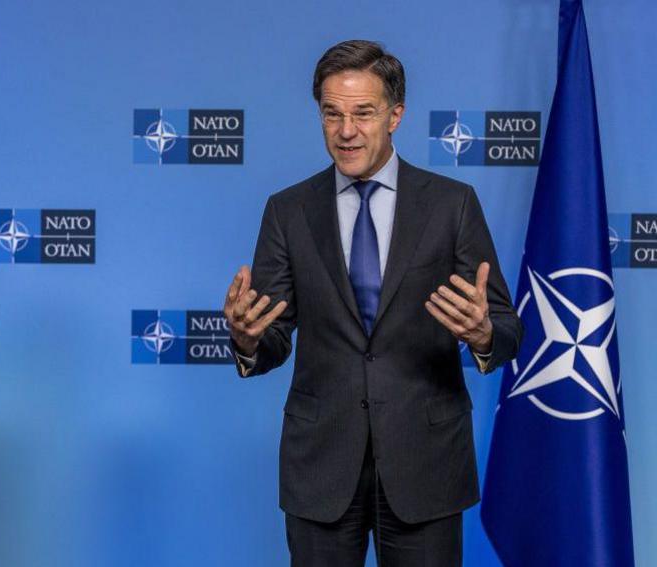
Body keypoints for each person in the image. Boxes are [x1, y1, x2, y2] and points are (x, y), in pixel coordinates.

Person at [223, 40, 522, 566]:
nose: (346, 131)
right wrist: (247, 340)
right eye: (332, 113)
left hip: (425, 464)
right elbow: (272, 336)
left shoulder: (452, 205)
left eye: (363, 113)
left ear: (396, 115)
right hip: (321, 465)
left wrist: (482, 335)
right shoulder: (287, 210)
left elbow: (505, 328)